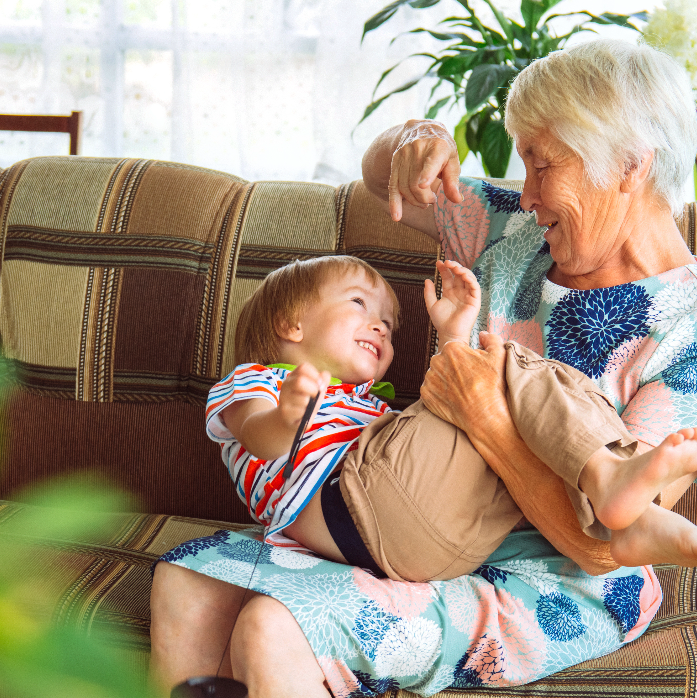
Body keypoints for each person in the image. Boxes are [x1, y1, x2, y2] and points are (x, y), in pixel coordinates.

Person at [150, 39, 697, 698]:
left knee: (273, 626)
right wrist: (416, 137)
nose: (524, 195)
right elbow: (384, 177)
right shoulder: (510, 234)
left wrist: (487, 422)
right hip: (409, 517)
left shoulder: (685, 329)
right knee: (188, 587)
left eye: (541, 163)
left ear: (631, 164)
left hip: (556, 576)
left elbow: (608, 544)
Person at [209, 253, 697, 583]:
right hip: (352, 509)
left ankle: (623, 518)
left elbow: (449, 443)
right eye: (359, 303)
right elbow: (258, 436)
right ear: (289, 324)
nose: (380, 324)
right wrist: (289, 415)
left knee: (513, 421)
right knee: (505, 363)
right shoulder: (258, 380)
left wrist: (453, 334)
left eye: (390, 323)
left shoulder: (370, 408)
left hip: (436, 550)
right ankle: (612, 482)